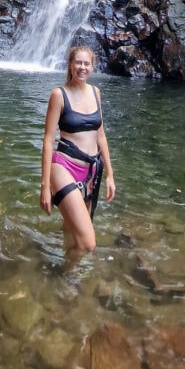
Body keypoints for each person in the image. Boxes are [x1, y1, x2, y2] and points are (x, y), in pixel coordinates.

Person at [40, 45, 115, 254]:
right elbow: (48, 140)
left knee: (71, 231)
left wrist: (110, 174)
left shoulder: (95, 92)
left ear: (92, 67)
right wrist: (45, 186)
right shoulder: (59, 95)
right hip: (64, 167)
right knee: (88, 243)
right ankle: (66, 276)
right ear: (70, 65)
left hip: (92, 171)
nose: (82, 67)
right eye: (78, 63)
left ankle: (69, 279)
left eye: (87, 63)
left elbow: (100, 135)